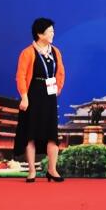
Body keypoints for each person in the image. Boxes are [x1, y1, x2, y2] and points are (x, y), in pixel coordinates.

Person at [14, 17, 66, 183]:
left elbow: (61, 72)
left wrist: (57, 89)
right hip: (32, 95)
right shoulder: (27, 52)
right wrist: (24, 97)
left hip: (49, 95)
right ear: (39, 34)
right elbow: (21, 76)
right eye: (50, 31)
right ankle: (31, 171)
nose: (53, 34)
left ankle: (52, 170)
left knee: (52, 134)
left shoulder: (56, 51)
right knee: (31, 134)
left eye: (53, 31)